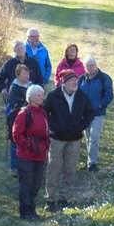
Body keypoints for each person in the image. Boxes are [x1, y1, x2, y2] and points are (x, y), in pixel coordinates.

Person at [43, 69, 94, 212]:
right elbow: (44, 112)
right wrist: (53, 126)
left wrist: (81, 126)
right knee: (54, 168)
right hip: (57, 138)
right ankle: (50, 199)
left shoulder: (82, 96)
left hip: (75, 138)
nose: (75, 83)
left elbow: (90, 113)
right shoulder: (53, 96)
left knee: (70, 169)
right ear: (63, 82)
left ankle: (65, 198)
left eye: (76, 81)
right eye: (72, 81)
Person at [12, 85, 49, 220]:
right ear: (32, 97)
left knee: (36, 183)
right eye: (39, 95)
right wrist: (28, 145)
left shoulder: (43, 112)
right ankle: (25, 212)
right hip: (26, 155)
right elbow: (16, 134)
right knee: (26, 184)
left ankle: (32, 210)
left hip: (40, 155)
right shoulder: (24, 113)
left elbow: (46, 132)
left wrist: (45, 146)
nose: (42, 97)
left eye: (42, 95)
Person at [79, 57, 114, 172]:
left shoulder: (104, 78)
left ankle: (92, 163)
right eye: (88, 66)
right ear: (85, 67)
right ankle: (89, 162)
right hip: (84, 114)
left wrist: (100, 105)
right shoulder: (82, 79)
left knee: (94, 137)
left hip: (98, 114)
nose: (90, 68)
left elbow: (109, 95)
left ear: (96, 65)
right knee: (88, 137)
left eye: (92, 65)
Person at [5, 64, 32, 174]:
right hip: (16, 119)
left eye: (28, 73)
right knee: (15, 142)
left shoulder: (31, 86)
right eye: (24, 74)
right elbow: (15, 104)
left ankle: (26, 164)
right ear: (18, 75)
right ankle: (14, 167)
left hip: (29, 119)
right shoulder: (14, 87)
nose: (27, 76)